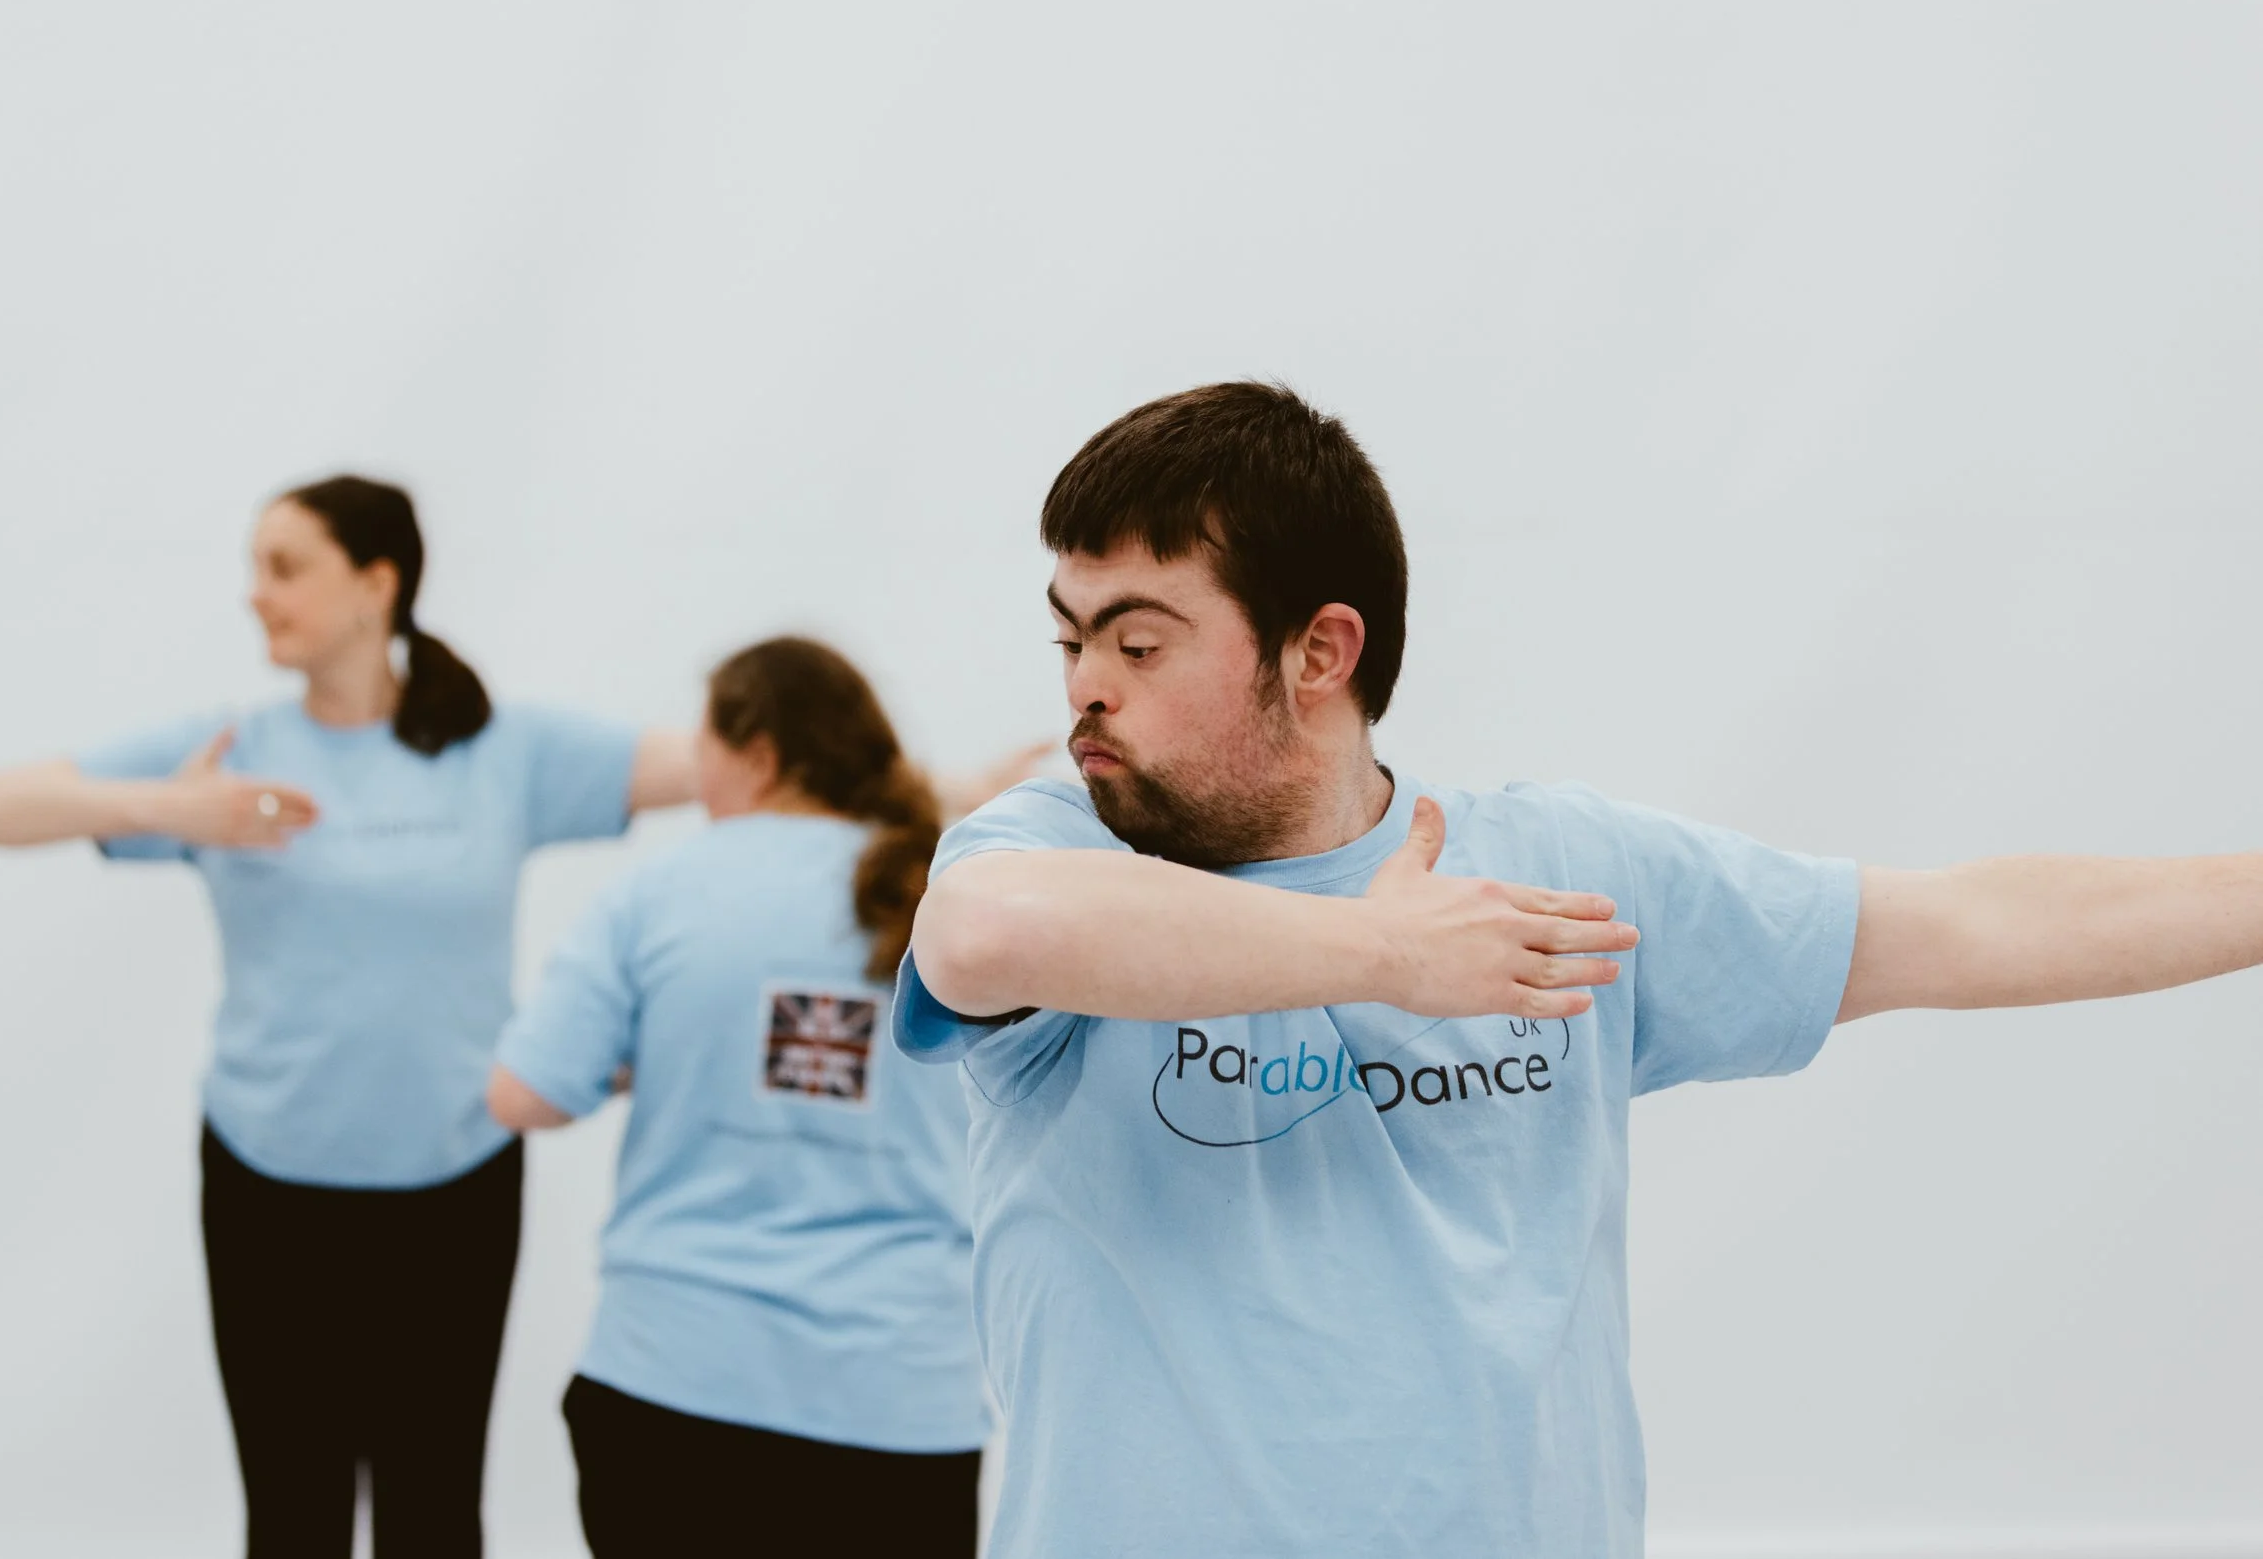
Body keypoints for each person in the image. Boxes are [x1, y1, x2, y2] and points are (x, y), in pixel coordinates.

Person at [893, 382, 2263, 1559]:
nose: (1084, 683)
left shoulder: (1552, 865)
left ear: (1320, 650)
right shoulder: (1057, 848)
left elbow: (1975, 923)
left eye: (1137, 642)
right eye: (1070, 638)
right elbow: (979, 935)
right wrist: (1380, 949)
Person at [0, 475, 695, 1559]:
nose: (256, 594)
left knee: (433, 1511)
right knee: (292, 1512)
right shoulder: (224, 747)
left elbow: (724, 764)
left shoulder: (502, 746)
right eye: (254, 567)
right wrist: (167, 805)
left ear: (375, 583)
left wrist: (934, 784)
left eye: (285, 566)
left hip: (456, 1187)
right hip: (269, 1189)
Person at [486, 637, 1039, 1559]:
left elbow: (521, 1096)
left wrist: (638, 1059)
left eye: (703, 744)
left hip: (673, 1383)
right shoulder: (948, 892)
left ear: (760, 752)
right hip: (895, 1400)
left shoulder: (658, 894)